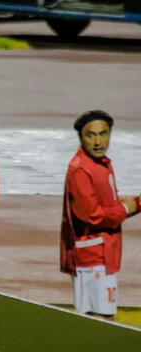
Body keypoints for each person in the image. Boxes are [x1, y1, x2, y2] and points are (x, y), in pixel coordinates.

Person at [60, 110, 140, 319]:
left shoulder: (101, 164)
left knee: (100, 319)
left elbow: (107, 207)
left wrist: (134, 205)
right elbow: (92, 216)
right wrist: (125, 209)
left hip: (102, 254)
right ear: (80, 137)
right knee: (101, 320)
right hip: (92, 258)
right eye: (91, 135)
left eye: (103, 134)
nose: (98, 141)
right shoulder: (81, 170)